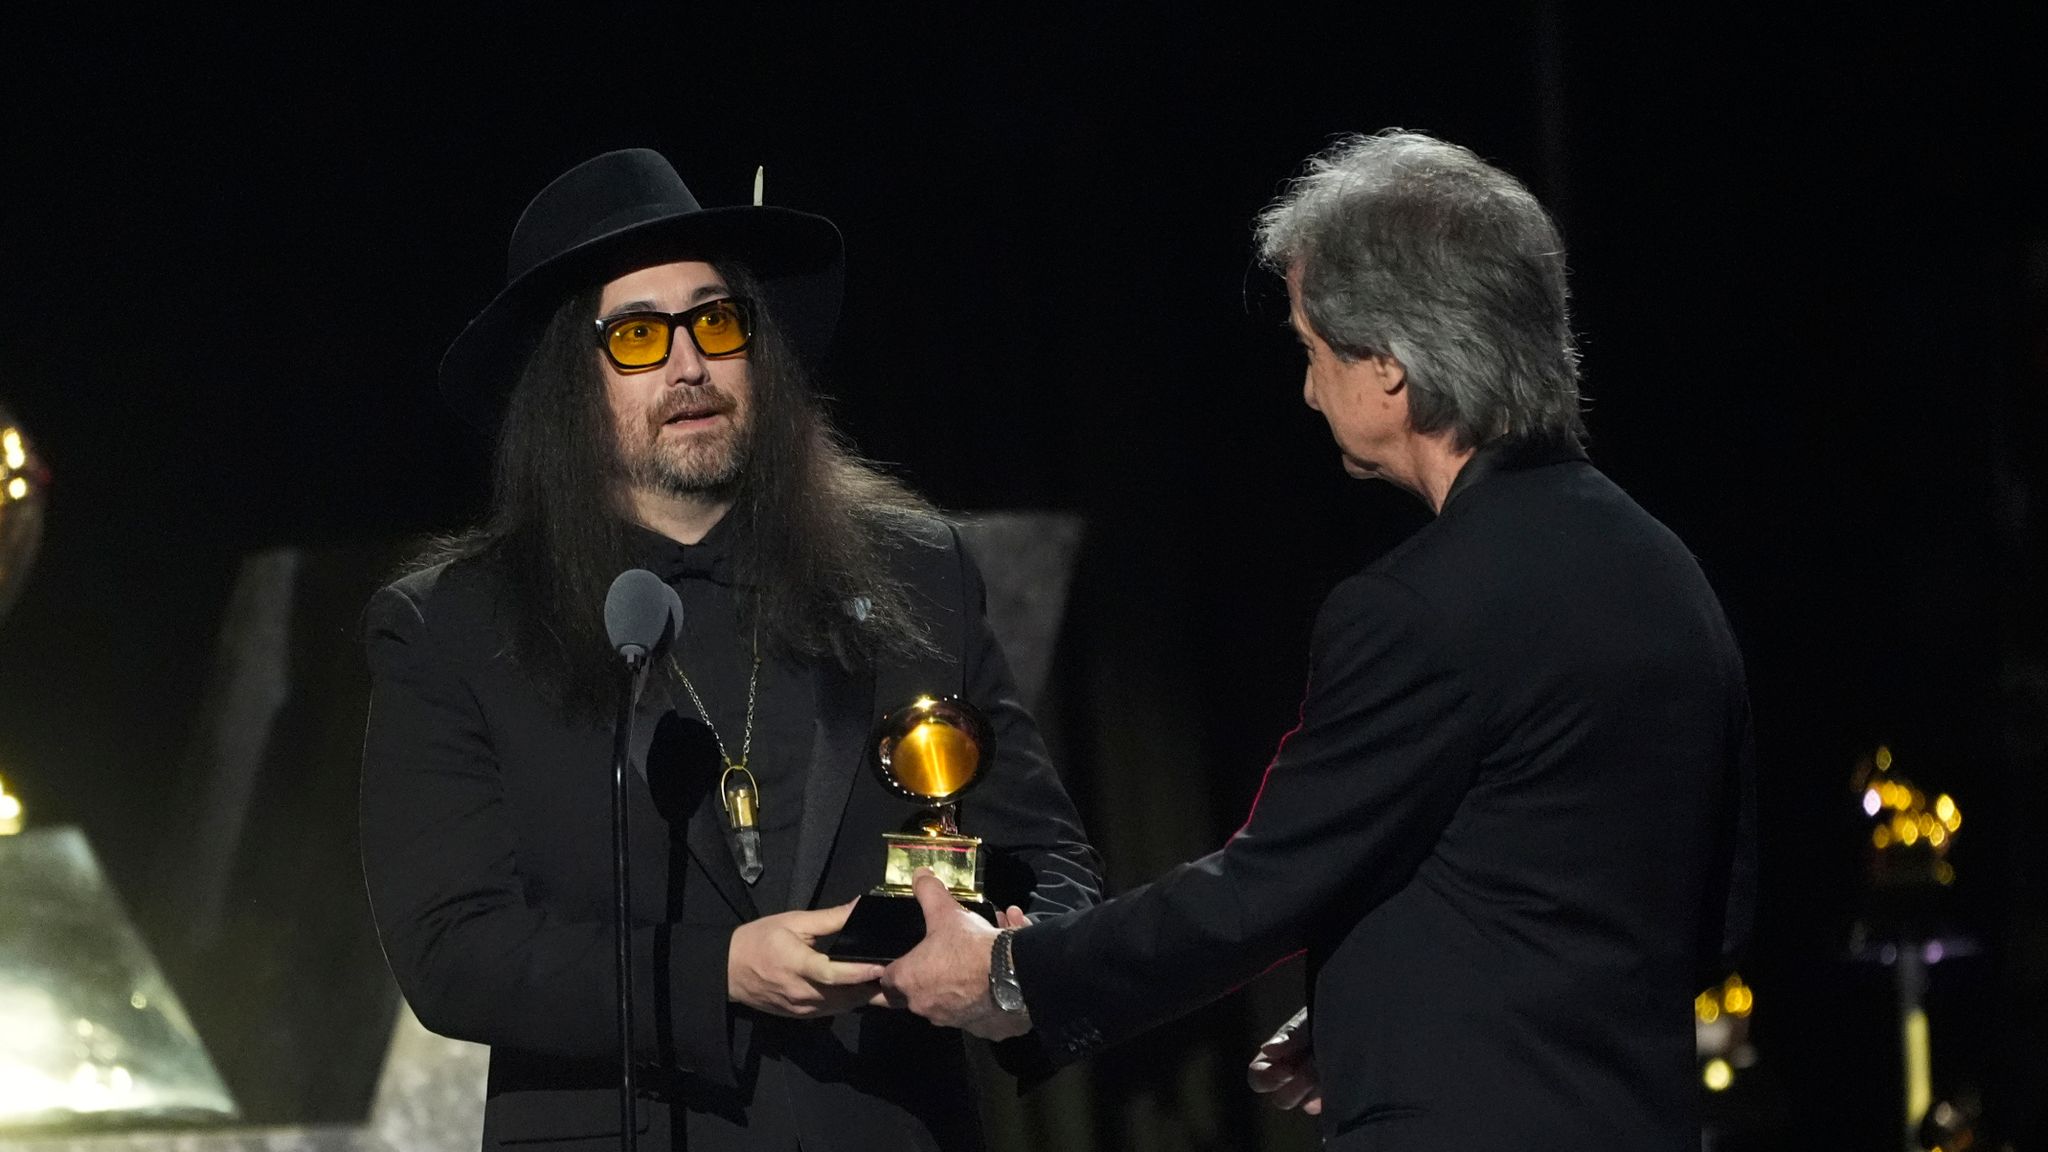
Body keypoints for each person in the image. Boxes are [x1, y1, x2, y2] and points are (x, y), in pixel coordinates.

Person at [881, 130, 1757, 1151]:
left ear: (1387, 369)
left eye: (1311, 350)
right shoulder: (1666, 575)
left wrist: (1010, 975)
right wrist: (1380, 1012)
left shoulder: (1416, 608)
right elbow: (1694, 913)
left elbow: (1261, 888)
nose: (1304, 390)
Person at [359, 148, 1102, 1151]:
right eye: (635, 337)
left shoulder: (913, 568)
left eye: (716, 322)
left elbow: (1046, 855)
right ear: (562, 388)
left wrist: (1012, 970)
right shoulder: (453, 628)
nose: (688, 366)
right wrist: (716, 973)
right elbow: (453, 952)